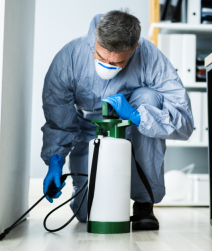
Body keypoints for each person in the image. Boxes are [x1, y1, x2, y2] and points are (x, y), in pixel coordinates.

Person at [40, 9, 194, 231]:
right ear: (95, 36)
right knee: (86, 214)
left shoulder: (149, 56)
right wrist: (55, 162)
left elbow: (184, 119)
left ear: (134, 49)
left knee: (148, 97)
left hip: (130, 127)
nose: (108, 65)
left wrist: (137, 115)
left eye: (118, 63)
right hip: (90, 130)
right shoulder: (69, 58)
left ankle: (143, 204)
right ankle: (86, 198)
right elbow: (58, 118)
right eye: (102, 57)